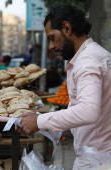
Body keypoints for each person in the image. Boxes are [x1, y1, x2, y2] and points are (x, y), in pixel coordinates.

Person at [15, 5, 111, 169]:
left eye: (52, 38)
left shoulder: (88, 61)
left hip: (98, 160)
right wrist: (39, 121)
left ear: (67, 28)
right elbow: (82, 112)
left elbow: (89, 111)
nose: (51, 46)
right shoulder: (93, 55)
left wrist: (39, 121)